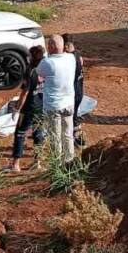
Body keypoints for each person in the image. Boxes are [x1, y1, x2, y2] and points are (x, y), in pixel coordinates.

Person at [36, 35, 78, 165]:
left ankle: (57, 165)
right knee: (68, 135)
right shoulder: (71, 58)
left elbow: (39, 74)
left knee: (55, 138)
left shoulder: (47, 62)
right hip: (69, 103)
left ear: (52, 47)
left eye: (48, 45)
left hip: (53, 106)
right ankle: (69, 162)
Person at [8, 45, 44, 172]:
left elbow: (24, 93)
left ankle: (15, 164)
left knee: (20, 133)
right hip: (41, 106)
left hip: (29, 108)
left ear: (32, 57)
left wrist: (17, 108)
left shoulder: (30, 71)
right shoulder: (45, 69)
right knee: (38, 133)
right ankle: (37, 163)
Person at [63, 33, 86, 147]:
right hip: (79, 92)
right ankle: (78, 137)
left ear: (66, 46)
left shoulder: (68, 59)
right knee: (75, 115)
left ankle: (74, 139)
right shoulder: (78, 55)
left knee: (69, 117)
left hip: (71, 94)